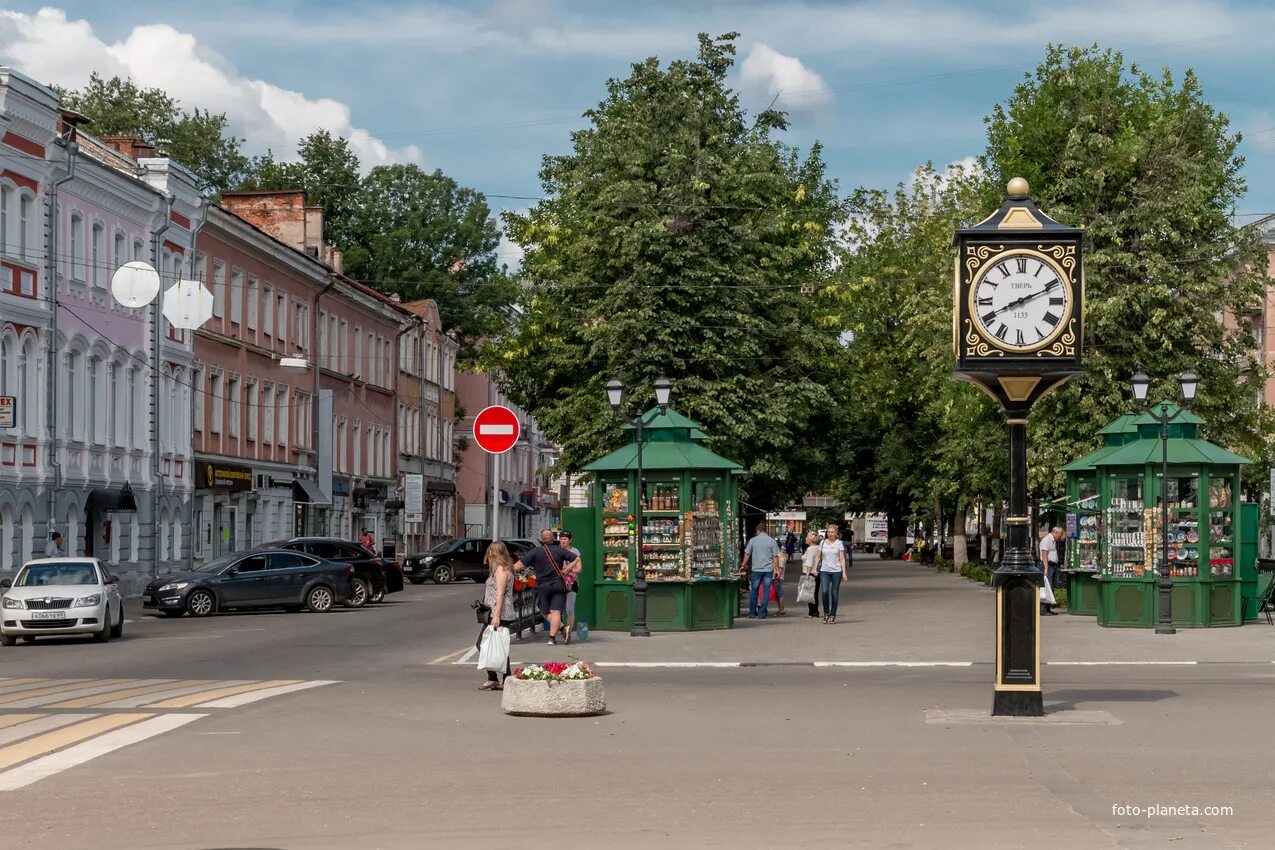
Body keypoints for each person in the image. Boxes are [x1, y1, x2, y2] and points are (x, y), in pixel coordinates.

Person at [514, 529, 580, 645]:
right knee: (556, 611)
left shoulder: (536, 551)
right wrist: (567, 569)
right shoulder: (560, 550)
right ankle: (552, 638)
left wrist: (504, 569)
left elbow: (519, 565)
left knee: (544, 611)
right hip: (559, 585)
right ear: (553, 538)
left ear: (541, 539)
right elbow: (576, 558)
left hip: (543, 586)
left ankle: (562, 627)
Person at [478, 541, 516, 691]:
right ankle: (504, 678)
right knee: (498, 645)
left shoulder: (500, 569)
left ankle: (495, 677)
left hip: (498, 612)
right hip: (497, 611)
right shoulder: (502, 568)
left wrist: (496, 616)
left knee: (484, 643)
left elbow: (500, 593)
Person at [742, 521, 781, 619]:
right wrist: (777, 569)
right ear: (765, 531)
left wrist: (743, 564)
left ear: (758, 530)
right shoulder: (772, 541)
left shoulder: (753, 540)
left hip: (756, 569)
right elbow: (775, 557)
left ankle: (752, 612)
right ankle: (762, 612)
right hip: (768, 570)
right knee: (766, 591)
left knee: (754, 591)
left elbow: (747, 554)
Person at [819, 524, 848, 624]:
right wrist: (814, 568)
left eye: (832, 532)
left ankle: (833, 615)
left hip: (836, 571)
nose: (830, 534)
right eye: (828, 532)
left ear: (836, 533)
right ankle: (826, 613)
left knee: (834, 593)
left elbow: (842, 559)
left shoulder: (839, 543)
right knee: (824, 592)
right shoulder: (822, 542)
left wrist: (844, 573)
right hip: (824, 570)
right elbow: (818, 557)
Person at [559, 530, 582, 635]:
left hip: (571, 583)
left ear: (570, 540)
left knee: (569, 609)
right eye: (561, 538)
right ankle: (561, 628)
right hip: (558, 582)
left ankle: (568, 632)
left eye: (565, 539)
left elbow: (579, 569)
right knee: (556, 609)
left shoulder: (575, 551)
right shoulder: (557, 550)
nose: (563, 541)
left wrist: (569, 569)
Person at [1039, 526, 1063, 615]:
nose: (1060, 537)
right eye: (1059, 535)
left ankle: (1047, 608)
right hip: (1047, 565)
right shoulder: (1047, 540)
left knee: (1050, 587)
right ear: (1055, 532)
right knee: (1046, 587)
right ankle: (1043, 609)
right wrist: (1046, 567)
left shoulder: (1052, 540)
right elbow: (1044, 554)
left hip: (1051, 565)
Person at [802, 531, 821, 617]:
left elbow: (808, 563)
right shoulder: (818, 548)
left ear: (810, 540)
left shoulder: (810, 549)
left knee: (810, 593)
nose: (805, 538)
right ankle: (815, 611)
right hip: (817, 573)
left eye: (807, 537)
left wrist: (807, 575)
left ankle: (813, 612)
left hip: (811, 573)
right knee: (815, 593)